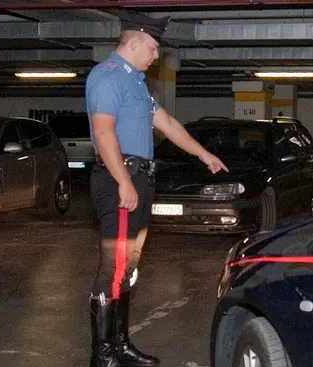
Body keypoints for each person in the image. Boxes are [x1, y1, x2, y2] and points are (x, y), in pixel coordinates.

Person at [85, 10, 228, 367]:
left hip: (140, 178)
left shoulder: (136, 83)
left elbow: (166, 123)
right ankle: (103, 355)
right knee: (113, 266)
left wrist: (203, 154)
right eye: (152, 48)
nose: (155, 56)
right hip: (120, 178)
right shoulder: (107, 77)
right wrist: (122, 182)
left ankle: (120, 345)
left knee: (128, 266)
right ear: (133, 40)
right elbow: (104, 134)